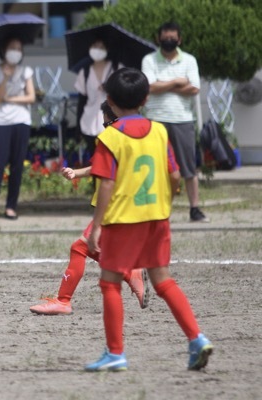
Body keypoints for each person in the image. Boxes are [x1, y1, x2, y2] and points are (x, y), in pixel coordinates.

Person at [84, 68, 213, 372]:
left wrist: (97, 226)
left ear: (110, 101)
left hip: (123, 221)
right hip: (157, 218)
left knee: (110, 283)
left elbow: (106, 184)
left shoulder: (110, 137)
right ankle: (196, 338)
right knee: (163, 281)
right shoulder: (160, 131)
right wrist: (173, 193)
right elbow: (175, 175)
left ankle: (115, 353)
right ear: (145, 99)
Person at [30, 101, 150, 316]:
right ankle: (130, 273)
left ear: (115, 117)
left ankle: (63, 301)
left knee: (79, 248)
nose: (105, 127)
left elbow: (106, 176)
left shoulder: (113, 136)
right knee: (91, 249)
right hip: (131, 203)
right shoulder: (142, 133)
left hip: (114, 203)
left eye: (106, 123)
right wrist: (77, 173)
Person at [141, 21, 208, 223]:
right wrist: (179, 82)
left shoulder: (189, 60)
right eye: (165, 38)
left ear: (179, 39)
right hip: (155, 119)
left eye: (172, 38)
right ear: (158, 38)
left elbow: (195, 88)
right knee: (156, 168)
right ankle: (157, 211)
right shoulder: (149, 59)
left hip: (182, 119)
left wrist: (164, 85)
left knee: (188, 167)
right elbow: (149, 87)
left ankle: (194, 208)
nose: (168, 41)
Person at [0, 36, 36, 222]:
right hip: (1, 121)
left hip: (22, 120)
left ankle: (11, 206)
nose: (15, 51)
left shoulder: (26, 70)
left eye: (19, 48)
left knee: (17, 166)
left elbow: (31, 97)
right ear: (4, 50)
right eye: (12, 47)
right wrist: (5, 77)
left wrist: (11, 99)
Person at [74, 38, 121, 159]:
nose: (97, 50)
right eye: (95, 46)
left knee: (112, 160)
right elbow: (81, 101)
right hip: (90, 121)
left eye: (101, 47)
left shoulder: (116, 68)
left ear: (107, 49)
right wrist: (77, 128)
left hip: (113, 121)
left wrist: (110, 87)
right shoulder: (85, 72)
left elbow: (124, 93)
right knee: (95, 160)